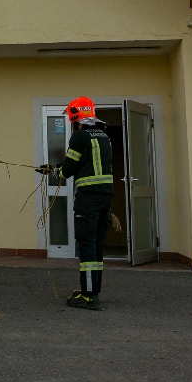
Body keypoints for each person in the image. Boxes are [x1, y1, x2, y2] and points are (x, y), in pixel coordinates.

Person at [41, 97, 113, 310]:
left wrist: (55, 171)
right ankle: (93, 290)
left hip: (88, 198)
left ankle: (89, 296)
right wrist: (59, 167)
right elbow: (86, 164)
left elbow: (69, 169)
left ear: (75, 117)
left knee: (86, 244)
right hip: (105, 196)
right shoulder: (104, 136)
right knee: (96, 243)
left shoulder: (79, 137)